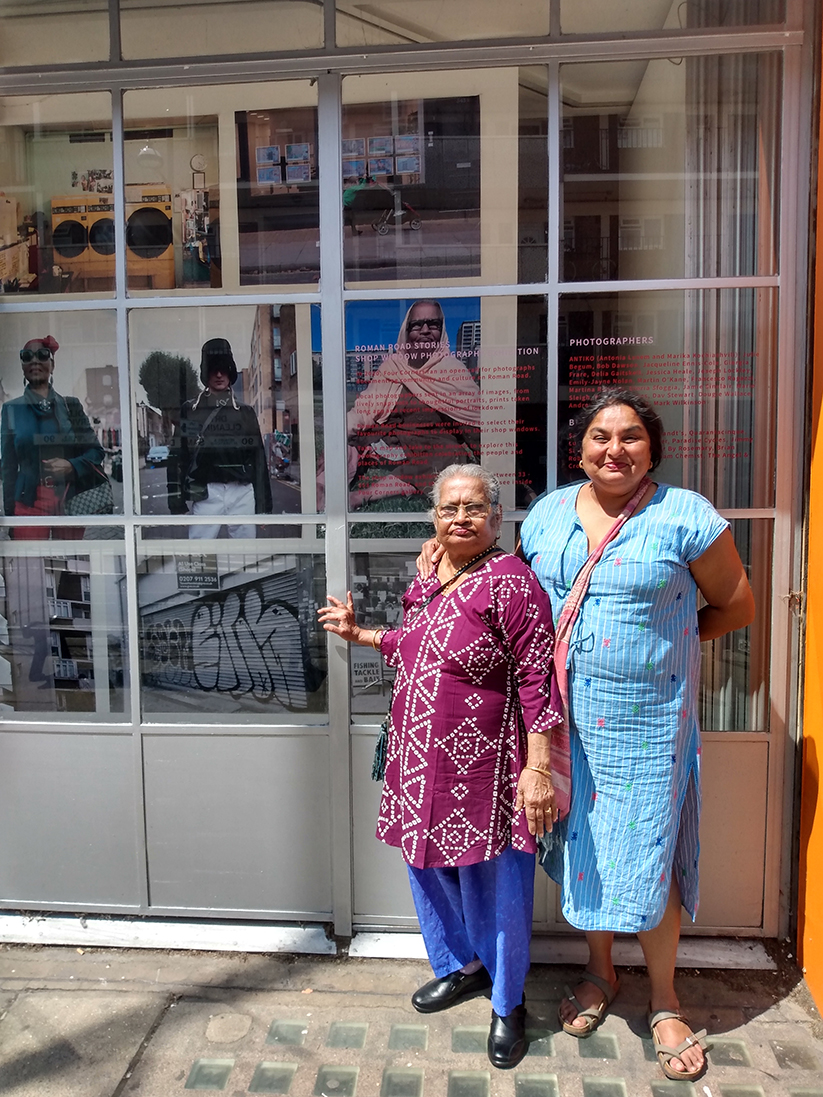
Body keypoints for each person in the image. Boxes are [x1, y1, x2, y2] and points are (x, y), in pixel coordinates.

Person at [418, 388, 755, 1083]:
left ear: (651, 448)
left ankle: (664, 999)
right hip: (559, 725)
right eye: (600, 436)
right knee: (588, 852)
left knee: (650, 852)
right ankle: (602, 973)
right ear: (579, 450)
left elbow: (735, 604)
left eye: (630, 436)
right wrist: (443, 552)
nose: (614, 449)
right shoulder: (545, 515)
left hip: (648, 724)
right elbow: (503, 585)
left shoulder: (685, 515)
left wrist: (667, 651)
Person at [318, 464, 564, 1070]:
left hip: (487, 767)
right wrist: (361, 634)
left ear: (496, 518)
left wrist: (536, 769)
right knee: (427, 868)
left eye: (474, 508)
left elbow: (538, 681)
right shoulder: (429, 575)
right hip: (417, 758)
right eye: (449, 507)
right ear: (433, 516)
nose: (460, 517)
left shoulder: (512, 584)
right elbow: (414, 642)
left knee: (496, 883)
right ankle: (464, 967)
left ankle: (509, 1004)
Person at [345, 300, 481, 509]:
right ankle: (322, 495)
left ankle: (366, 495)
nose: (425, 330)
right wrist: (348, 426)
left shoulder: (455, 373)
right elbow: (365, 409)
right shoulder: (393, 366)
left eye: (432, 324)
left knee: (449, 455)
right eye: (417, 325)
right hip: (390, 446)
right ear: (406, 331)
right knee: (346, 441)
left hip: (434, 449)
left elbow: (475, 426)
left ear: (442, 329)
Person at [1, 336, 105, 539]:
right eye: (27, 356)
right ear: (22, 365)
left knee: (71, 566)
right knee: (30, 567)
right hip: (28, 500)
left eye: (42, 355)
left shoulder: (71, 406)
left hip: (69, 497)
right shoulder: (11, 409)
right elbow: (8, 467)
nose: (35, 361)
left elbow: (96, 451)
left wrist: (71, 465)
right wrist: (10, 515)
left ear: (52, 364)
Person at [167, 338, 272, 537]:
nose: (218, 374)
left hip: (242, 492)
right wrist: (176, 502)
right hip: (206, 492)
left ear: (231, 371)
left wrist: (264, 506)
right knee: (199, 555)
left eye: (224, 368)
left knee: (245, 556)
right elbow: (179, 457)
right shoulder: (191, 411)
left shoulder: (245, 412)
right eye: (213, 369)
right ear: (205, 372)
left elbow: (258, 460)